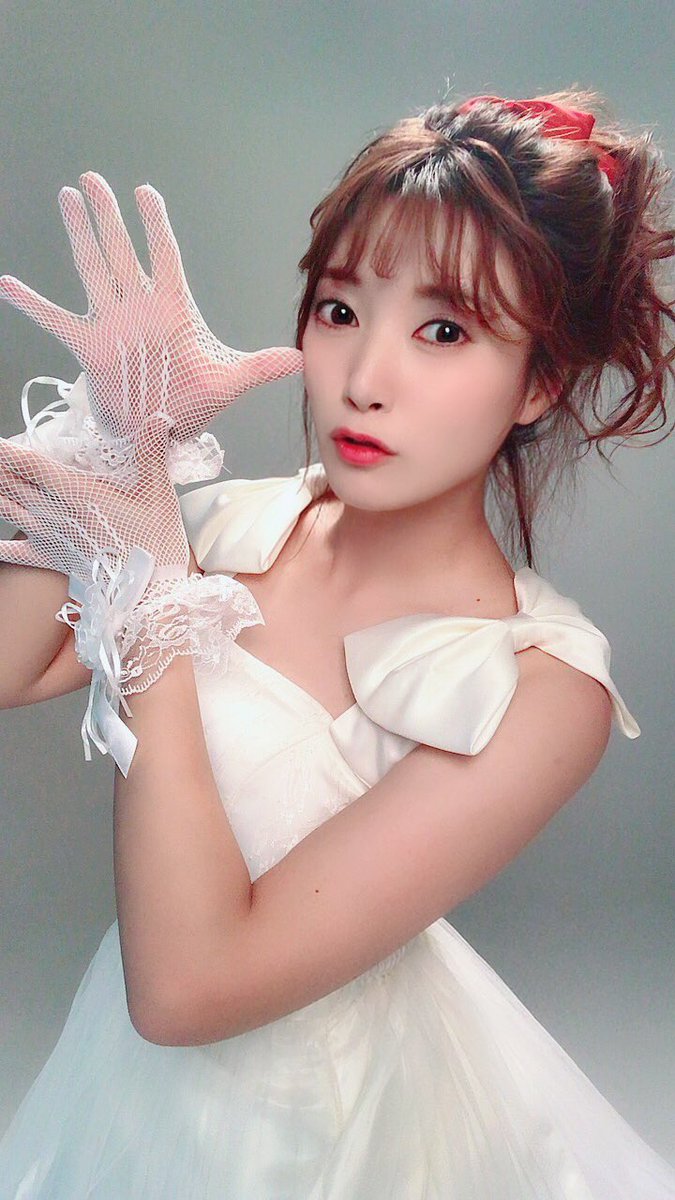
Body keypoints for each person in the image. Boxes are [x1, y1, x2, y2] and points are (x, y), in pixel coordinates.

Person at [0, 87, 673, 1198]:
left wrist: (156, 598)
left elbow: (188, 989)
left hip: (339, 1137)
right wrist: (128, 438)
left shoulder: (543, 689)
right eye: (340, 310)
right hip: (132, 1106)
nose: (364, 381)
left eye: (444, 331)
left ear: (540, 382)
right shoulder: (229, 528)